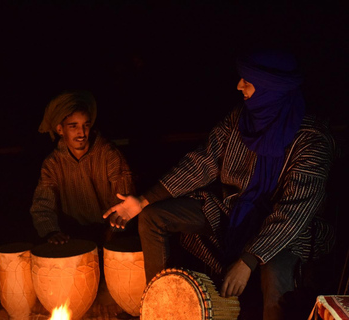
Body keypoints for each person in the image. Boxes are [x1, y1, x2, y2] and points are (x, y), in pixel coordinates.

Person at [103, 49, 336, 319]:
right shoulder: (239, 119)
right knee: (154, 217)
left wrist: (249, 260)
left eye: (247, 80)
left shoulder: (313, 140)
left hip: (290, 231)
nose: (239, 85)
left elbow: (294, 212)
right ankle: (162, 306)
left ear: (271, 87)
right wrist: (143, 201)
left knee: (275, 273)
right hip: (233, 209)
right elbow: (202, 161)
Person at [30, 90, 136, 247]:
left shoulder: (109, 155)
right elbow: (43, 205)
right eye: (73, 126)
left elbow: (124, 202)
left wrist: (113, 232)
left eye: (85, 125)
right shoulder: (53, 163)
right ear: (60, 129)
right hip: (71, 236)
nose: (81, 133)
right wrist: (52, 232)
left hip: (111, 233)